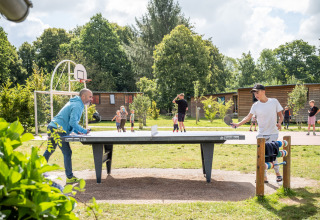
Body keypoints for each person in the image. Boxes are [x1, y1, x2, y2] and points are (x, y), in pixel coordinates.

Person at [232, 84, 284, 183]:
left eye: (257, 92)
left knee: (271, 154)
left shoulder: (274, 102)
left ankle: (278, 174)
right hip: (261, 134)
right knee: (262, 155)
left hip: (272, 133)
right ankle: (264, 177)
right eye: (254, 93)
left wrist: (279, 123)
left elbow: (281, 116)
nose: (255, 95)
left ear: (263, 91)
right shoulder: (255, 105)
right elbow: (248, 117)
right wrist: (238, 124)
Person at [43, 88, 93, 184]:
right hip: (58, 129)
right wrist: (84, 131)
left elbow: (70, 122)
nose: (91, 99)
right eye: (90, 97)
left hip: (52, 126)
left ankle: (38, 171)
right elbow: (72, 122)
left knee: (50, 150)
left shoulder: (76, 103)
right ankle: (69, 177)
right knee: (67, 152)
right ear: (83, 96)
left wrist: (78, 132)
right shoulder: (78, 105)